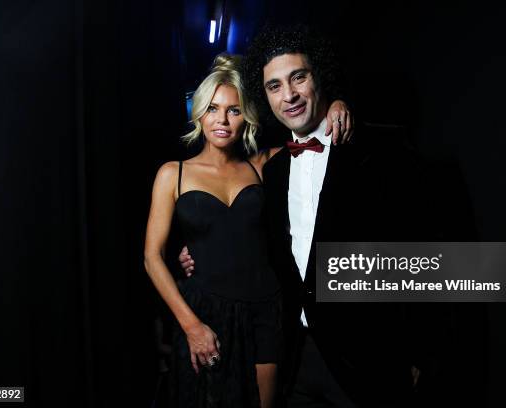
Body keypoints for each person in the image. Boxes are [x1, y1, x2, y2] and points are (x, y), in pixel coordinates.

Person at [180, 25, 432, 407]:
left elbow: (417, 246)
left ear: (319, 78)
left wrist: (417, 350)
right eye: (275, 86)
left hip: (367, 359)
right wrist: (199, 250)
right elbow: (249, 234)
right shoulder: (272, 169)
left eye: (299, 77)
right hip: (293, 357)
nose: (290, 95)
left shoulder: (376, 152)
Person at [144, 54, 352, 408]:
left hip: (266, 311)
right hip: (205, 312)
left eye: (234, 110)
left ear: (247, 117)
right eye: (212, 108)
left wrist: (336, 103)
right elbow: (152, 258)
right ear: (199, 113)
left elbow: (312, 138)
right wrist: (191, 326)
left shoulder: (264, 164)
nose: (222, 120)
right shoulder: (172, 173)